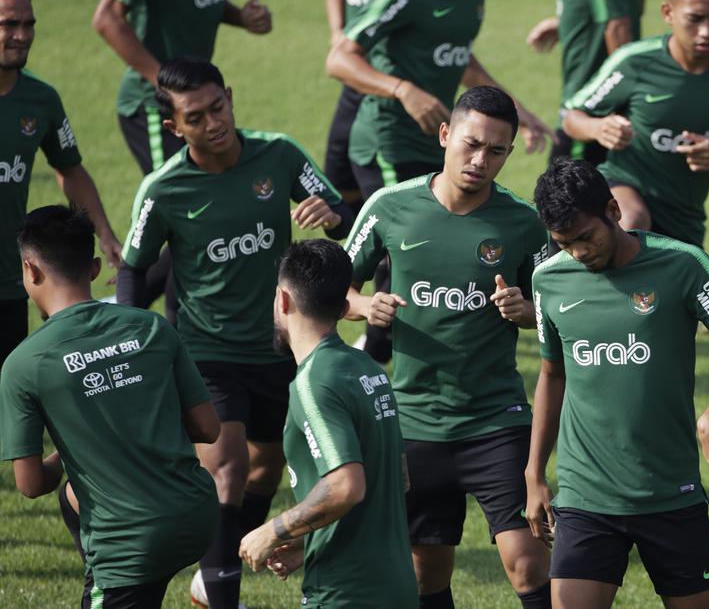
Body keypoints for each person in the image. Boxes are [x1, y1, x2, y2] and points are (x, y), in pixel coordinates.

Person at [116, 57, 350, 609]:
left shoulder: (280, 154)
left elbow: (342, 209)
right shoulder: (163, 189)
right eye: (195, 118)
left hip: (281, 344)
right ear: (174, 127)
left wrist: (332, 213)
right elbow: (132, 269)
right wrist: (133, 337)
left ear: (230, 96)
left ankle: (213, 573)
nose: (213, 122)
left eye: (217, 107)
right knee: (227, 467)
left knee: (266, 465)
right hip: (207, 351)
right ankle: (225, 595)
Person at [343, 86, 552, 609]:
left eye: (496, 151)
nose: (480, 161)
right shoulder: (389, 207)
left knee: (528, 563)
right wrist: (364, 305)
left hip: (496, 420)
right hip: (414, 422)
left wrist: (527, 312)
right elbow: (331, 290)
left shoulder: (523, 223)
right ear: (444, 134)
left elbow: (559, 309)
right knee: (425, 574)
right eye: (471, 144)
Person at [526, 157, 709, 609]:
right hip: (584, 495)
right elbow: (552, 375)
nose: (578, 252)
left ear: (613, 211)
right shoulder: (548, 280)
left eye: (586, 237)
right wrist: (533, 474)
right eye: (564, 243)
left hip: (670, 492)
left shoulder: (683, 263)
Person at [0, 205, 220, 609]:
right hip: (198, 514)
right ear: (95, 268)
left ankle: (108, 573)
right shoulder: (151, 326)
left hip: (132, 543)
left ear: (30, 270)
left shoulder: (24, 363)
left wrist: (67, 453)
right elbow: (208, 428)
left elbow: (30, 484)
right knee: (72, 497)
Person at [326, 0, 551, 199]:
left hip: (439, 143)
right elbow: (339, 59)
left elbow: (460, 59)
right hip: (391, 145)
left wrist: (518, 113)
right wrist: (404, 91)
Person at [238, 239, 416, 607]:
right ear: (344, 306)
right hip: (395, 586)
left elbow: (345, 487)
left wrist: (274, 530)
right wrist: (309, 540)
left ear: (283, 300)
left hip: (345, 593)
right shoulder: (368, 368)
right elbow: (397, 478)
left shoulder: (313, 382)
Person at [562, 0, 709, 248]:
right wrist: (598, 128)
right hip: (623, 186)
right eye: (695, 19)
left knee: (679, 273)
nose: (706, 31)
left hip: (685, 215)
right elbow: (571, 117)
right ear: (668, 12)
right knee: (631, 222)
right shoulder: (634, 61)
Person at [93, 0, 272, 176]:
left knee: (212, 192)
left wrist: (242, 17)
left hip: (199, 103)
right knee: (176, 196)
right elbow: (107, 18)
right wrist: (167, 87)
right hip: (155, 108)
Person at [0, 0, 122, 363]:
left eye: (28, 24)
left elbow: (70, 169)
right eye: (9, 24)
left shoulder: (40, 100)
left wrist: (104, 232)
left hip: (8, 282)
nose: (22, 36)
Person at [323, 0, 429, 207]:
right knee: (336, 185)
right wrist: (337, 34)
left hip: (395, 83)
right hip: (356, 77)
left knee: (397, 201)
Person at [526, 0, 644, 166]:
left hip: (589, 107)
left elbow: (617, 23)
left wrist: (619, 99)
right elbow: (634, 4)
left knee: (563, 190)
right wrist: (568, 22)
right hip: (608, 108)